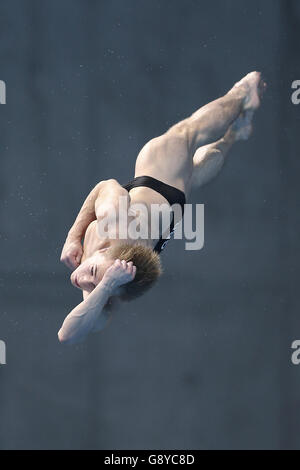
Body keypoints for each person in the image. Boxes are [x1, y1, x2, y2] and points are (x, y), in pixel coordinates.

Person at [58, 71, 266, 344]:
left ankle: (233, 135)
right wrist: (73, 237)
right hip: (157, 178)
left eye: (94, 282)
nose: (84, 280)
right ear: (107, 250)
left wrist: (104, 285)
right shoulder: (113, 220)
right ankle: (242, 94)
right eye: (94, 275)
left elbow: (67, 336)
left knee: (194, 175)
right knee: (187, 132)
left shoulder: (109, 281)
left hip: (168, 219)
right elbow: (103, 185)